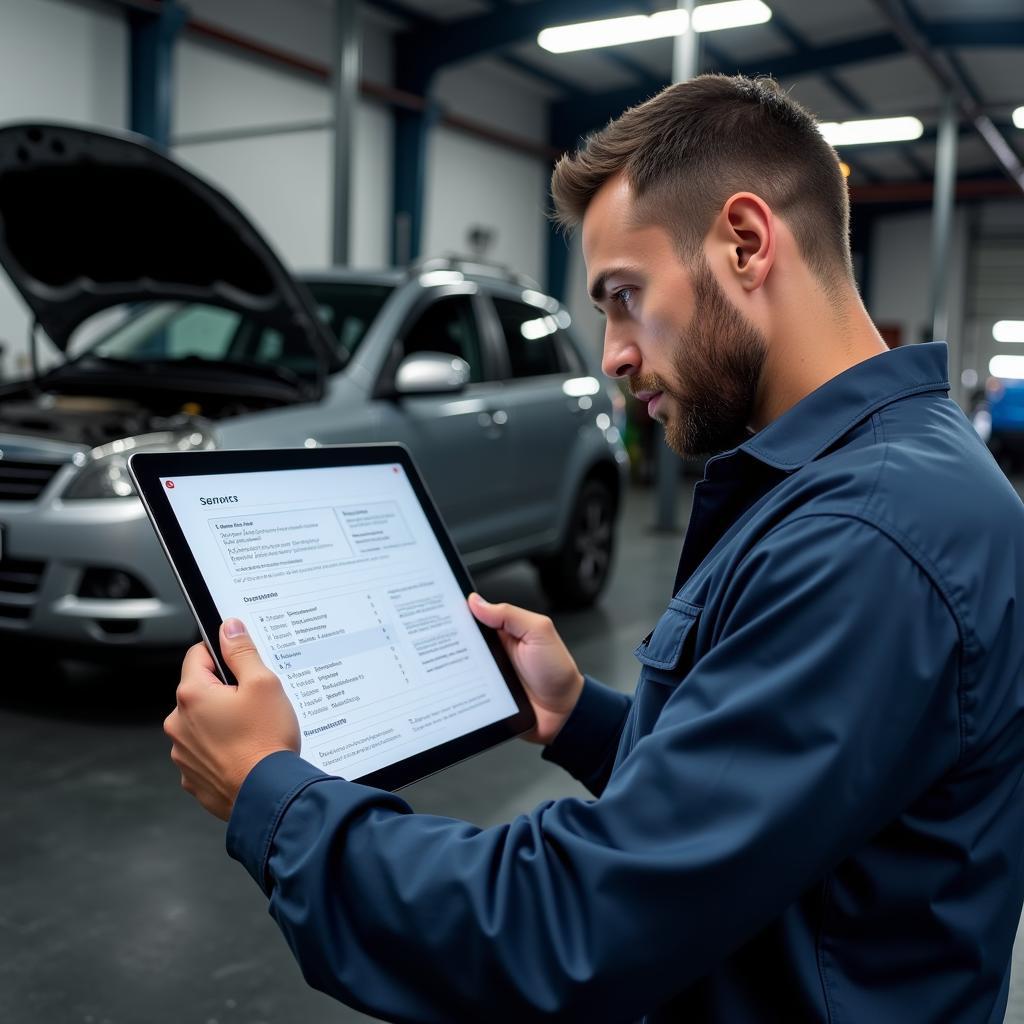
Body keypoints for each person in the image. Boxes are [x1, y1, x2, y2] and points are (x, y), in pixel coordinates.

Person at [165, 75, 1024, 1022]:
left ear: (745, 241)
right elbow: (763, 813)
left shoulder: (868, 539)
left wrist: (270, 794)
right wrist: (582, 718)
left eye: (625, 295)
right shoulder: (881, 479)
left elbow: (570, 925)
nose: (611, 353)